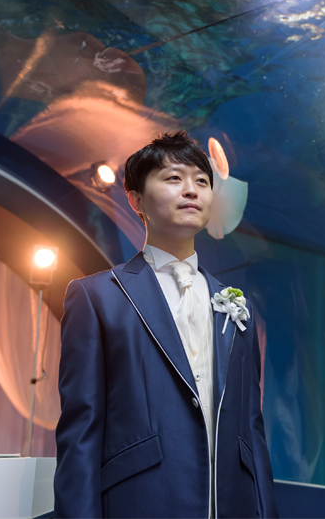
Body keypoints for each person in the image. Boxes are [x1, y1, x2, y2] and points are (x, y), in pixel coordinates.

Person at [55, 130, 278, 518]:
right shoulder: (97, 297)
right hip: (143, 502)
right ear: (136, 200)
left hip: (231, 504)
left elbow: (251, 430)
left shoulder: (237, 305)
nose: (191, 190)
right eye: (174, 178)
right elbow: (81, 431)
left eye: (202, 181)